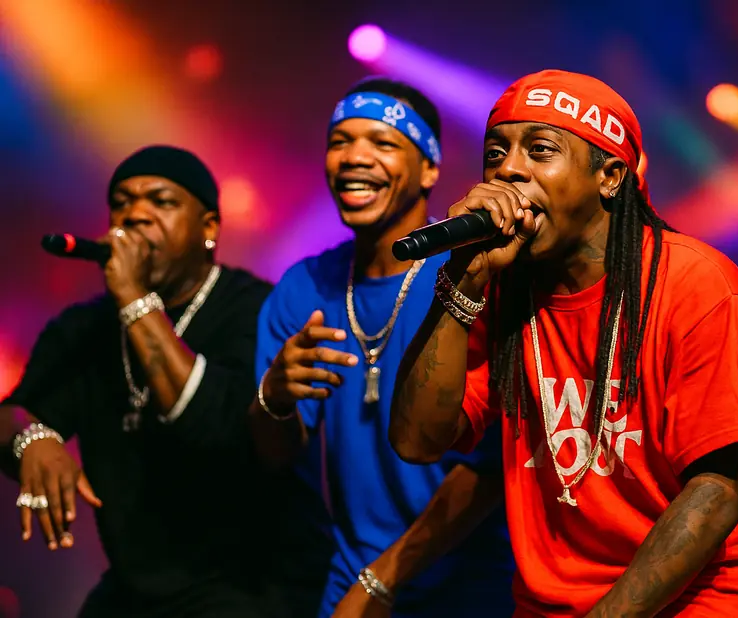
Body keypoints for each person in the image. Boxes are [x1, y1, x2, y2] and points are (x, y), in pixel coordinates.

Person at [389, 69, 738, 617]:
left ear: (610, 177)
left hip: (705, 597)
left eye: (540, 150)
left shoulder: (697, 287)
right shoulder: (503, 286)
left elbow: (715, 493)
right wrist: (462, 283)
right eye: (496, 152)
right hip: (555, 603)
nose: (508, 168)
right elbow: (417, 440)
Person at [250, 77, 514, 618]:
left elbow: (493, 467)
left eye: (383, 142)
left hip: (473, 583)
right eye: (340, 141)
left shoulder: (476, 270)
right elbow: (274, 455)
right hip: (350, 580)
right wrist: (273, 398)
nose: (354, 157)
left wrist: (382, 579)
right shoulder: (303, 288)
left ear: (430, 169)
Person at [0, 145, 277, 617]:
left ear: (209, 227)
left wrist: (133, 295)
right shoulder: (83, 328)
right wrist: (33, 439)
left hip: (251, 587)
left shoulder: (256, 309)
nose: (136, 215)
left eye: (161, 202)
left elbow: (213, 424)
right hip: (136, 590)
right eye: (122, 203)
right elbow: (12, 412)